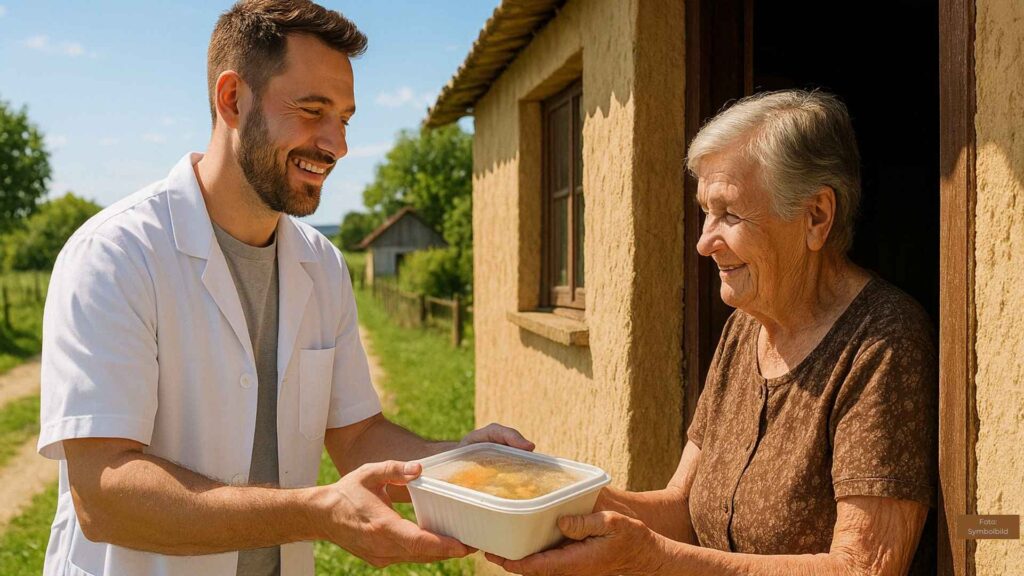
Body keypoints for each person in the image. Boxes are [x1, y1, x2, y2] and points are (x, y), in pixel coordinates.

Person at [37, 2, 532, 575]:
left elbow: (358, 436)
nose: (336, 144)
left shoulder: (323, 266)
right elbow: (103, 497)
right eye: (312, 111)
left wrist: (459, 464)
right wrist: (318, 513)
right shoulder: (115, 256)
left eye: (344, 119)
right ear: (232, 99)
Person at [487, 90, 937, 576]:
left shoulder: (883, 341)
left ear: (816, 216)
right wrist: (549, 492)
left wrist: (652, 561)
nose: (704, 242)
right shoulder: (746, 326)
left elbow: (863, 568)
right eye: (706, 211)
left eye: (730, 214)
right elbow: (682, 506)